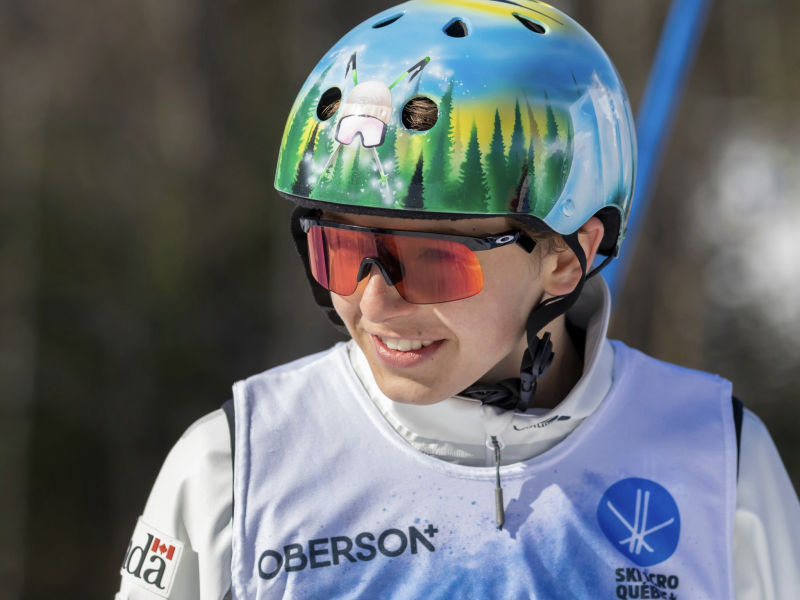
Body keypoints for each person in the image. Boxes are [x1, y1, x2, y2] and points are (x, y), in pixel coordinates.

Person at [116, 1, 800, 598]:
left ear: (566, 259)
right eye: (342, 252)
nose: (375, 305)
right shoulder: (238, 465)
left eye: (432, 262)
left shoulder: (716, 459)